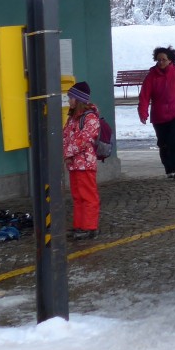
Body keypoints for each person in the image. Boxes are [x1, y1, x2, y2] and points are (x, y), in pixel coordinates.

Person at [137, 45, 175, 180]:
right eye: (158, 60)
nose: (161, 62)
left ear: (170, 60)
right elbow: (144, 96)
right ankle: (169, 169)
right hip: (159, 116)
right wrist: (143, 112)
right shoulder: (151, 76)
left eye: (164, 59)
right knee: (163, 143)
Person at [62, 81, 101, 240]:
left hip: (84, 164)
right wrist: (67, 153)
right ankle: (79, 225)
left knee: (87, 196)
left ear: (78, 99)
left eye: (71, 97)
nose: (69, 100)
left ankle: (90, 227)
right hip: (74, 164)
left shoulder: (90, 117)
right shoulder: (73, 118)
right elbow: (66, 136)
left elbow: (84, 139)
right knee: (78, 196)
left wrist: (67, 152)